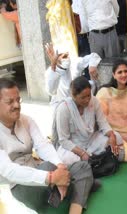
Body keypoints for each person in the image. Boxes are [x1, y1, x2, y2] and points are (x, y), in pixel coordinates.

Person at [0, 78, 94, 213]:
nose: (16, 105)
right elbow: (9, 171)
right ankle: (79, 186)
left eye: (18, 100)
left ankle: (74, 208)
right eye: (10, 102)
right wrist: (51, 177)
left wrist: (60, 168)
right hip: (17, 185)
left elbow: (43, 146)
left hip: (40, 174)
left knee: (82, 166)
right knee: (49, 167)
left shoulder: (26, 120)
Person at [52, 76, 119, 166]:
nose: (87, 100)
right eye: (83, 97)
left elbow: (103, 123)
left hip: (91, 140)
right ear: (73, 96)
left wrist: (111, 136)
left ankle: (91, 161)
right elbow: (63, 140)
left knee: (117, 138)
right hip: (73, 146)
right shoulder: (64, 108)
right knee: (68, 160)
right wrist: (82, 153)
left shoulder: (94, 101)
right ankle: (92, 161)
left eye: (89, 95)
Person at [44, 43, 101, 110]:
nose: (65, 58)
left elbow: (93, 56)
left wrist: (92, 66)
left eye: (66, 55)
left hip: (79, 103)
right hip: (60, 106)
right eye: (62, 56)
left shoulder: (74, 63)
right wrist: (55, 67)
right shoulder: (50, 72)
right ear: (56, 58)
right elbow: (51, 91)